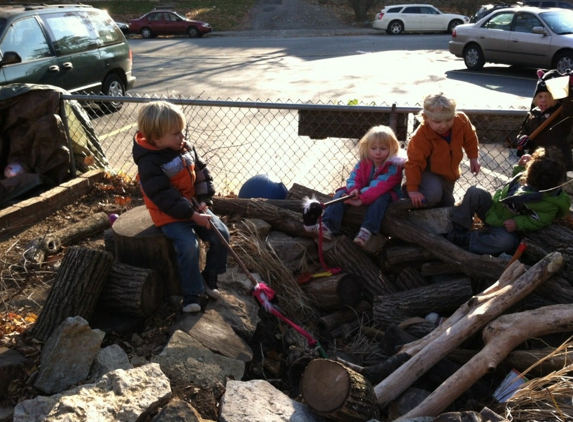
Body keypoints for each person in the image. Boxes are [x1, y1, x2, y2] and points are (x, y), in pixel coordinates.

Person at [132, 100, 230, 313]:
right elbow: (164, 197)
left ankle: (209, 277)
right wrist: (193, 216)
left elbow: (202, 173)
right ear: (158, 138)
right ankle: (190, 293)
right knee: (188, 245)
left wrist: (205, 200)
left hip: (194, 207)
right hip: (169, 214)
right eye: (176, 133)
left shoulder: (184, 148)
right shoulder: (149, 163)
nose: (182, 137)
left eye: (182, 131)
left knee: (221, 233)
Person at [446, 146, 571, 256]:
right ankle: (459, 227)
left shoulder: (551, 204)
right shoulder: (532, 178)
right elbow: (516, 182)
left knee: (505, 242)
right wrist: (521, 167)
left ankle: (468, 239)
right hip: (493, 209)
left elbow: (537, 221)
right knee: (475, 192)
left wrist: (518, 223)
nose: (526, 181)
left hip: (504, 226)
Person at [305, 125, 407, 248]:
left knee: (381, 198)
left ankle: (367, 231)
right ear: (367, 147)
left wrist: (361, 198)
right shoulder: (365, 162)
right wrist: (353, 189)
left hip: (385, 195)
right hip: (362, 194)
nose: (378, 152)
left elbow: (379, 186)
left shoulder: (394, 167)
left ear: (392, 149)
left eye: (383, 148)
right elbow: (354, 177)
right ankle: (328, 226)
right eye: (373, 148)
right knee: (340, 194)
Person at [402, 93, 481, 209]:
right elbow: (414, 163)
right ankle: (407, 196)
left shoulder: (461, 121)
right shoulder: (420, 137)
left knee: (447, 203)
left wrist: (473, 158)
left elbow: (470, 138)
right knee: (433, 195)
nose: (444, 126)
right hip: (428, 171)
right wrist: (412, 190)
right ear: (425, 118)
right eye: (437, 122)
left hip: (450, 172)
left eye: (449, 120)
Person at [515, 68, 573, 171]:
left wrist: (569, 90)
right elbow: (523, 131)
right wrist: (522, 138)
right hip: (536, 163)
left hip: (557, 165)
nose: (543, 100)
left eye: (548, 96)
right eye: (540, 96)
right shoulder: (533, 114)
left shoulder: (560, 115)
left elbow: (568, 107)